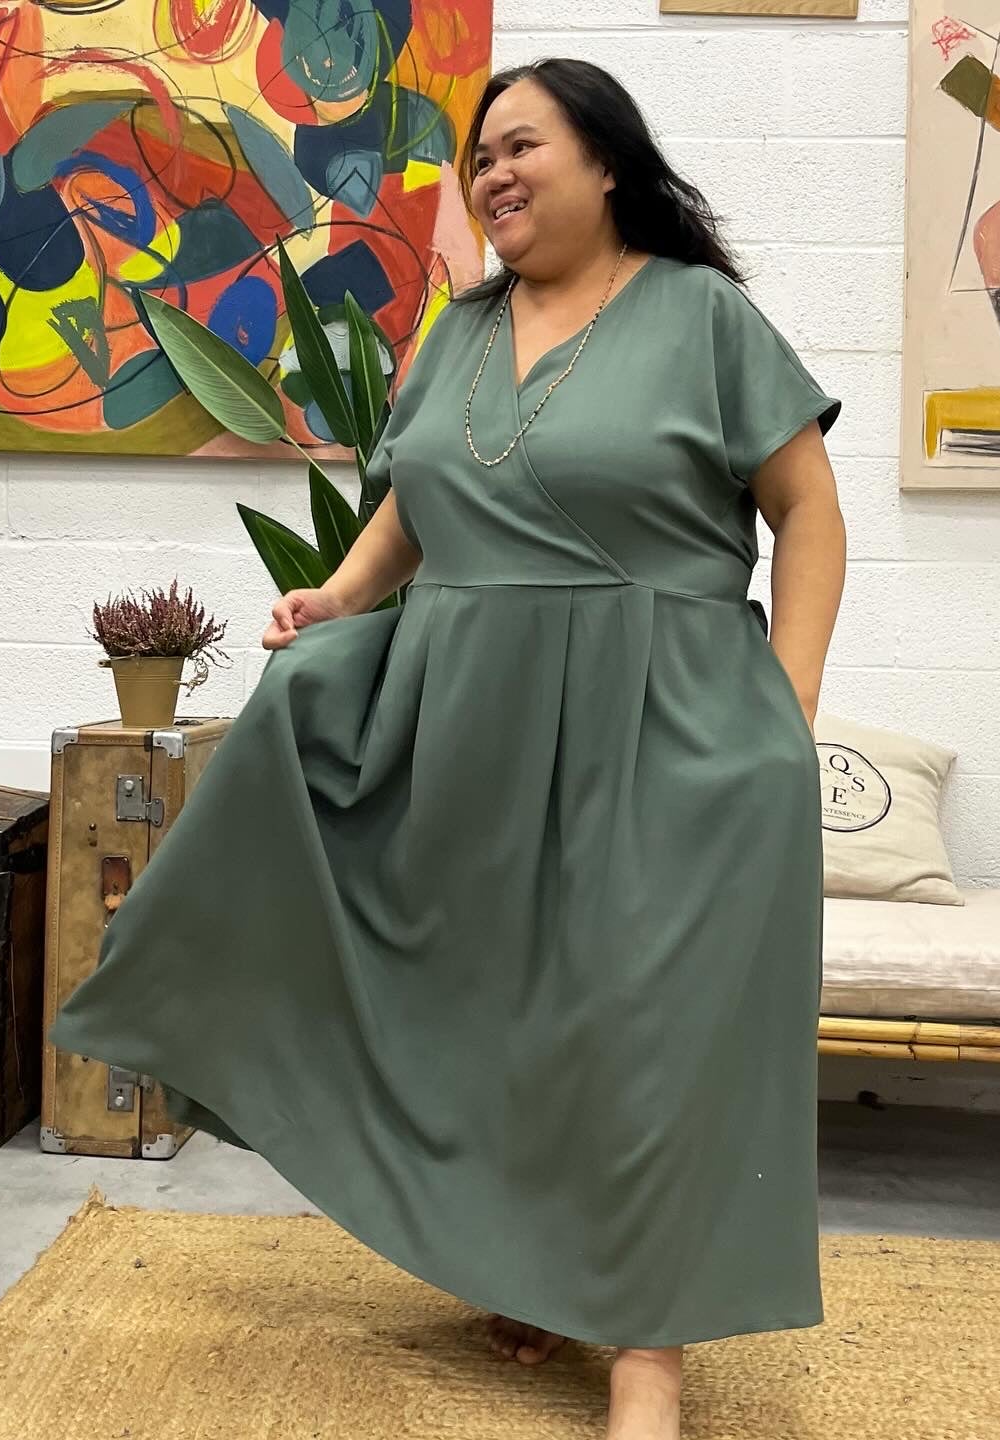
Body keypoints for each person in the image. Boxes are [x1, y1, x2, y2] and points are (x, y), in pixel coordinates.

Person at [49, 55, 846, 1440]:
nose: (493, 175)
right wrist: (342, 595)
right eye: (480, 157)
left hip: (666, 716)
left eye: (522, 146)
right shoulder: (459, 331)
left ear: (608, 162)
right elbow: (416, 501)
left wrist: (791, 703)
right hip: (470, 714)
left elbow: (810, 510)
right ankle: (531, 1265)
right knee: (503, 1015)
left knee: (647, 1028)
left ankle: (648, 1355)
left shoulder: (701, 315)